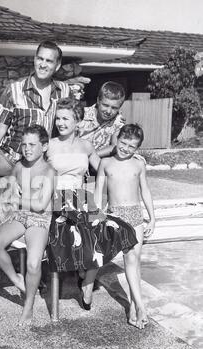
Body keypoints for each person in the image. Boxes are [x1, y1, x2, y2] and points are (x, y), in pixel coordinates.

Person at [46, 97, 138, 310]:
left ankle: (87, 282)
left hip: (82, 197)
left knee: (113, 228)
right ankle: (84, 276)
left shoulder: (86, 146)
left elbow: (105, 168)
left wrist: (131, 160)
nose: (60, 123)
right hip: (58, 199)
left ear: (77, 120)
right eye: (58, 118)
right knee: (87, 230)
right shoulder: (48, 146)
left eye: (66, 118)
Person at [0, 124, 55, 324]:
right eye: (24, 144)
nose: (27, 149)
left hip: (40, 219)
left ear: (44, 147)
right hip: (19, 216)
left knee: (33, 264)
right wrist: (9, 192)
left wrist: (18, 200)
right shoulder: (18, 167)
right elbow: (8, 192)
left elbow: (41, 204)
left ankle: (29, 304)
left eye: (32, 144)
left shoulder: (49, 170)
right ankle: (17, 279)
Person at [94, 124, 155, 329]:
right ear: (116, 139)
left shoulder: (138, 165)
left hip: (135, 214)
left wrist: (153, 218)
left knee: (134, 260)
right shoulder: (105, 163)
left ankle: (133, 305)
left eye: (132, 146)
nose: (126, 148)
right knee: (130, 258)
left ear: (137, 148)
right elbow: (97, 193)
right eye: (123, 143)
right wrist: (97, 217)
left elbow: (145, 190)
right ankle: (140, 305)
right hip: (116, 216)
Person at [0, 40, 70, 176]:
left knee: (66, 190)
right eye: (40, 59)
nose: (43, 65)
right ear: (34, 59)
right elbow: (1, 127)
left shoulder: (64, 91)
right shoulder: (14, 90)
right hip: (11, 161)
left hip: (44, 164)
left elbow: (70, 126)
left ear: (57, 66)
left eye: (49, 61)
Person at [78, 81, 126, 158]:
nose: (108, 111)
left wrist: (92, 156)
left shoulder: (118, 121)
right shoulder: (82, 114)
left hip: (99, 160)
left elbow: (115, 146)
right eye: (105, 105)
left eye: (114, 108)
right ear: (98, 101)